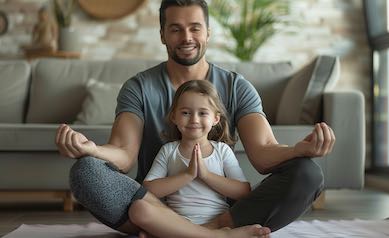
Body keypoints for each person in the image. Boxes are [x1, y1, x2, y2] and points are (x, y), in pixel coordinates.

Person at [55, 0, 335, 237]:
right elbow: (124, 154)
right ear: (163, 34)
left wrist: (299, 149)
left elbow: (262, 155)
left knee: (308, 174)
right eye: (176, 29)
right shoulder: (139, 87)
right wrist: (91, 149)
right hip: (153, 205)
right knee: (86, 171)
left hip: (223, 211)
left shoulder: (237, 87)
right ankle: (196, 232)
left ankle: (202, 229)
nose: (186, 37)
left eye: (195, 28)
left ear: (208, 33)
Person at [143, 80, 250, 228]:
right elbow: (148, 190)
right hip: (176, 223)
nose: (194, 119)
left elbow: (243, 191)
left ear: (215, 119)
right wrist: (187, 175)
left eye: (203, 113)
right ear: (174, 117)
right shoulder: (169, 151)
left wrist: (205, 175)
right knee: (140, 208)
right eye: (185, 113)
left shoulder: (222, 150)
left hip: (218, 222)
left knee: (252, 210)